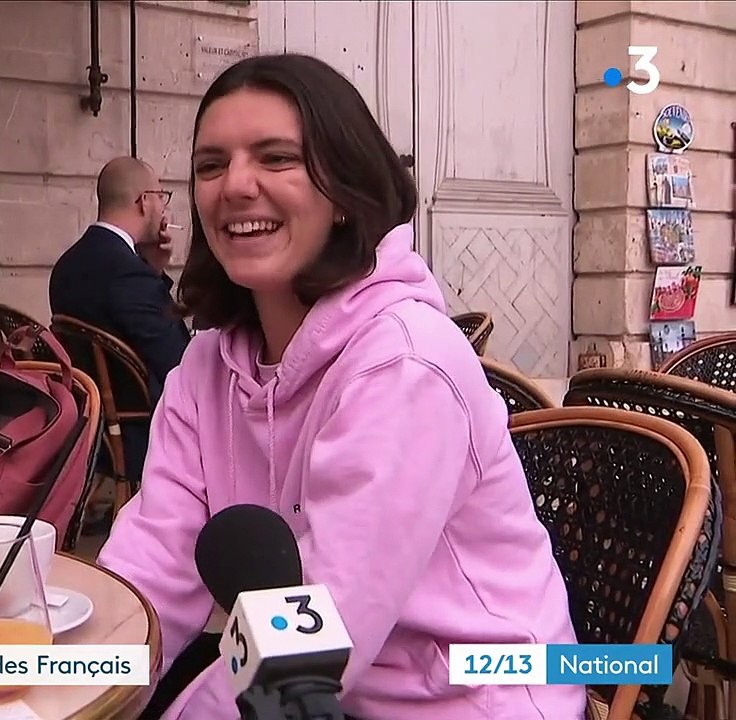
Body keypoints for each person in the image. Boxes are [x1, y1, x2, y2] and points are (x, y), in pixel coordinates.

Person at [97, 54, 584, 719]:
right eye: (211, 165)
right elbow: (147, 576)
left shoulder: (404, 365)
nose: (236, 184)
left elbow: (313, 648)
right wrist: (60, 695)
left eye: (276, 158)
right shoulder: (204, 370)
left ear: (345, 195)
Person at [50, 157, 193, 494]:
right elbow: (178, 360)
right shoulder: (126, 273)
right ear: (144, 201)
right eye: (161, 195)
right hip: (136, 429)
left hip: (90, 421)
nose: (162, 207)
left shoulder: (68, 263)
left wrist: (154, 270)